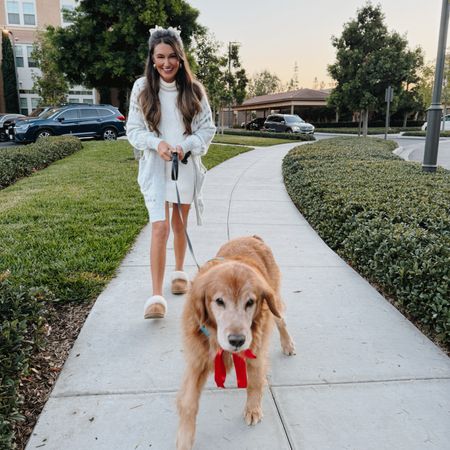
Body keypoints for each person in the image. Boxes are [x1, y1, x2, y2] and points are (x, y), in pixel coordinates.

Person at [127, 26, 216, 320]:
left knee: (179, 223)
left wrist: (186, 145)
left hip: (185, 166)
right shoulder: (142, 88)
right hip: (155, 167)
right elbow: (133, 130)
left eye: (172, 57)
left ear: (181, 58)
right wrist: (157, 143)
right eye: (160, 57)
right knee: (159, 227)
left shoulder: (195, 90)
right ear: (153, 60)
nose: (167, 63)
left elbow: (207, 129)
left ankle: (179, 271)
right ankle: (155, 296)